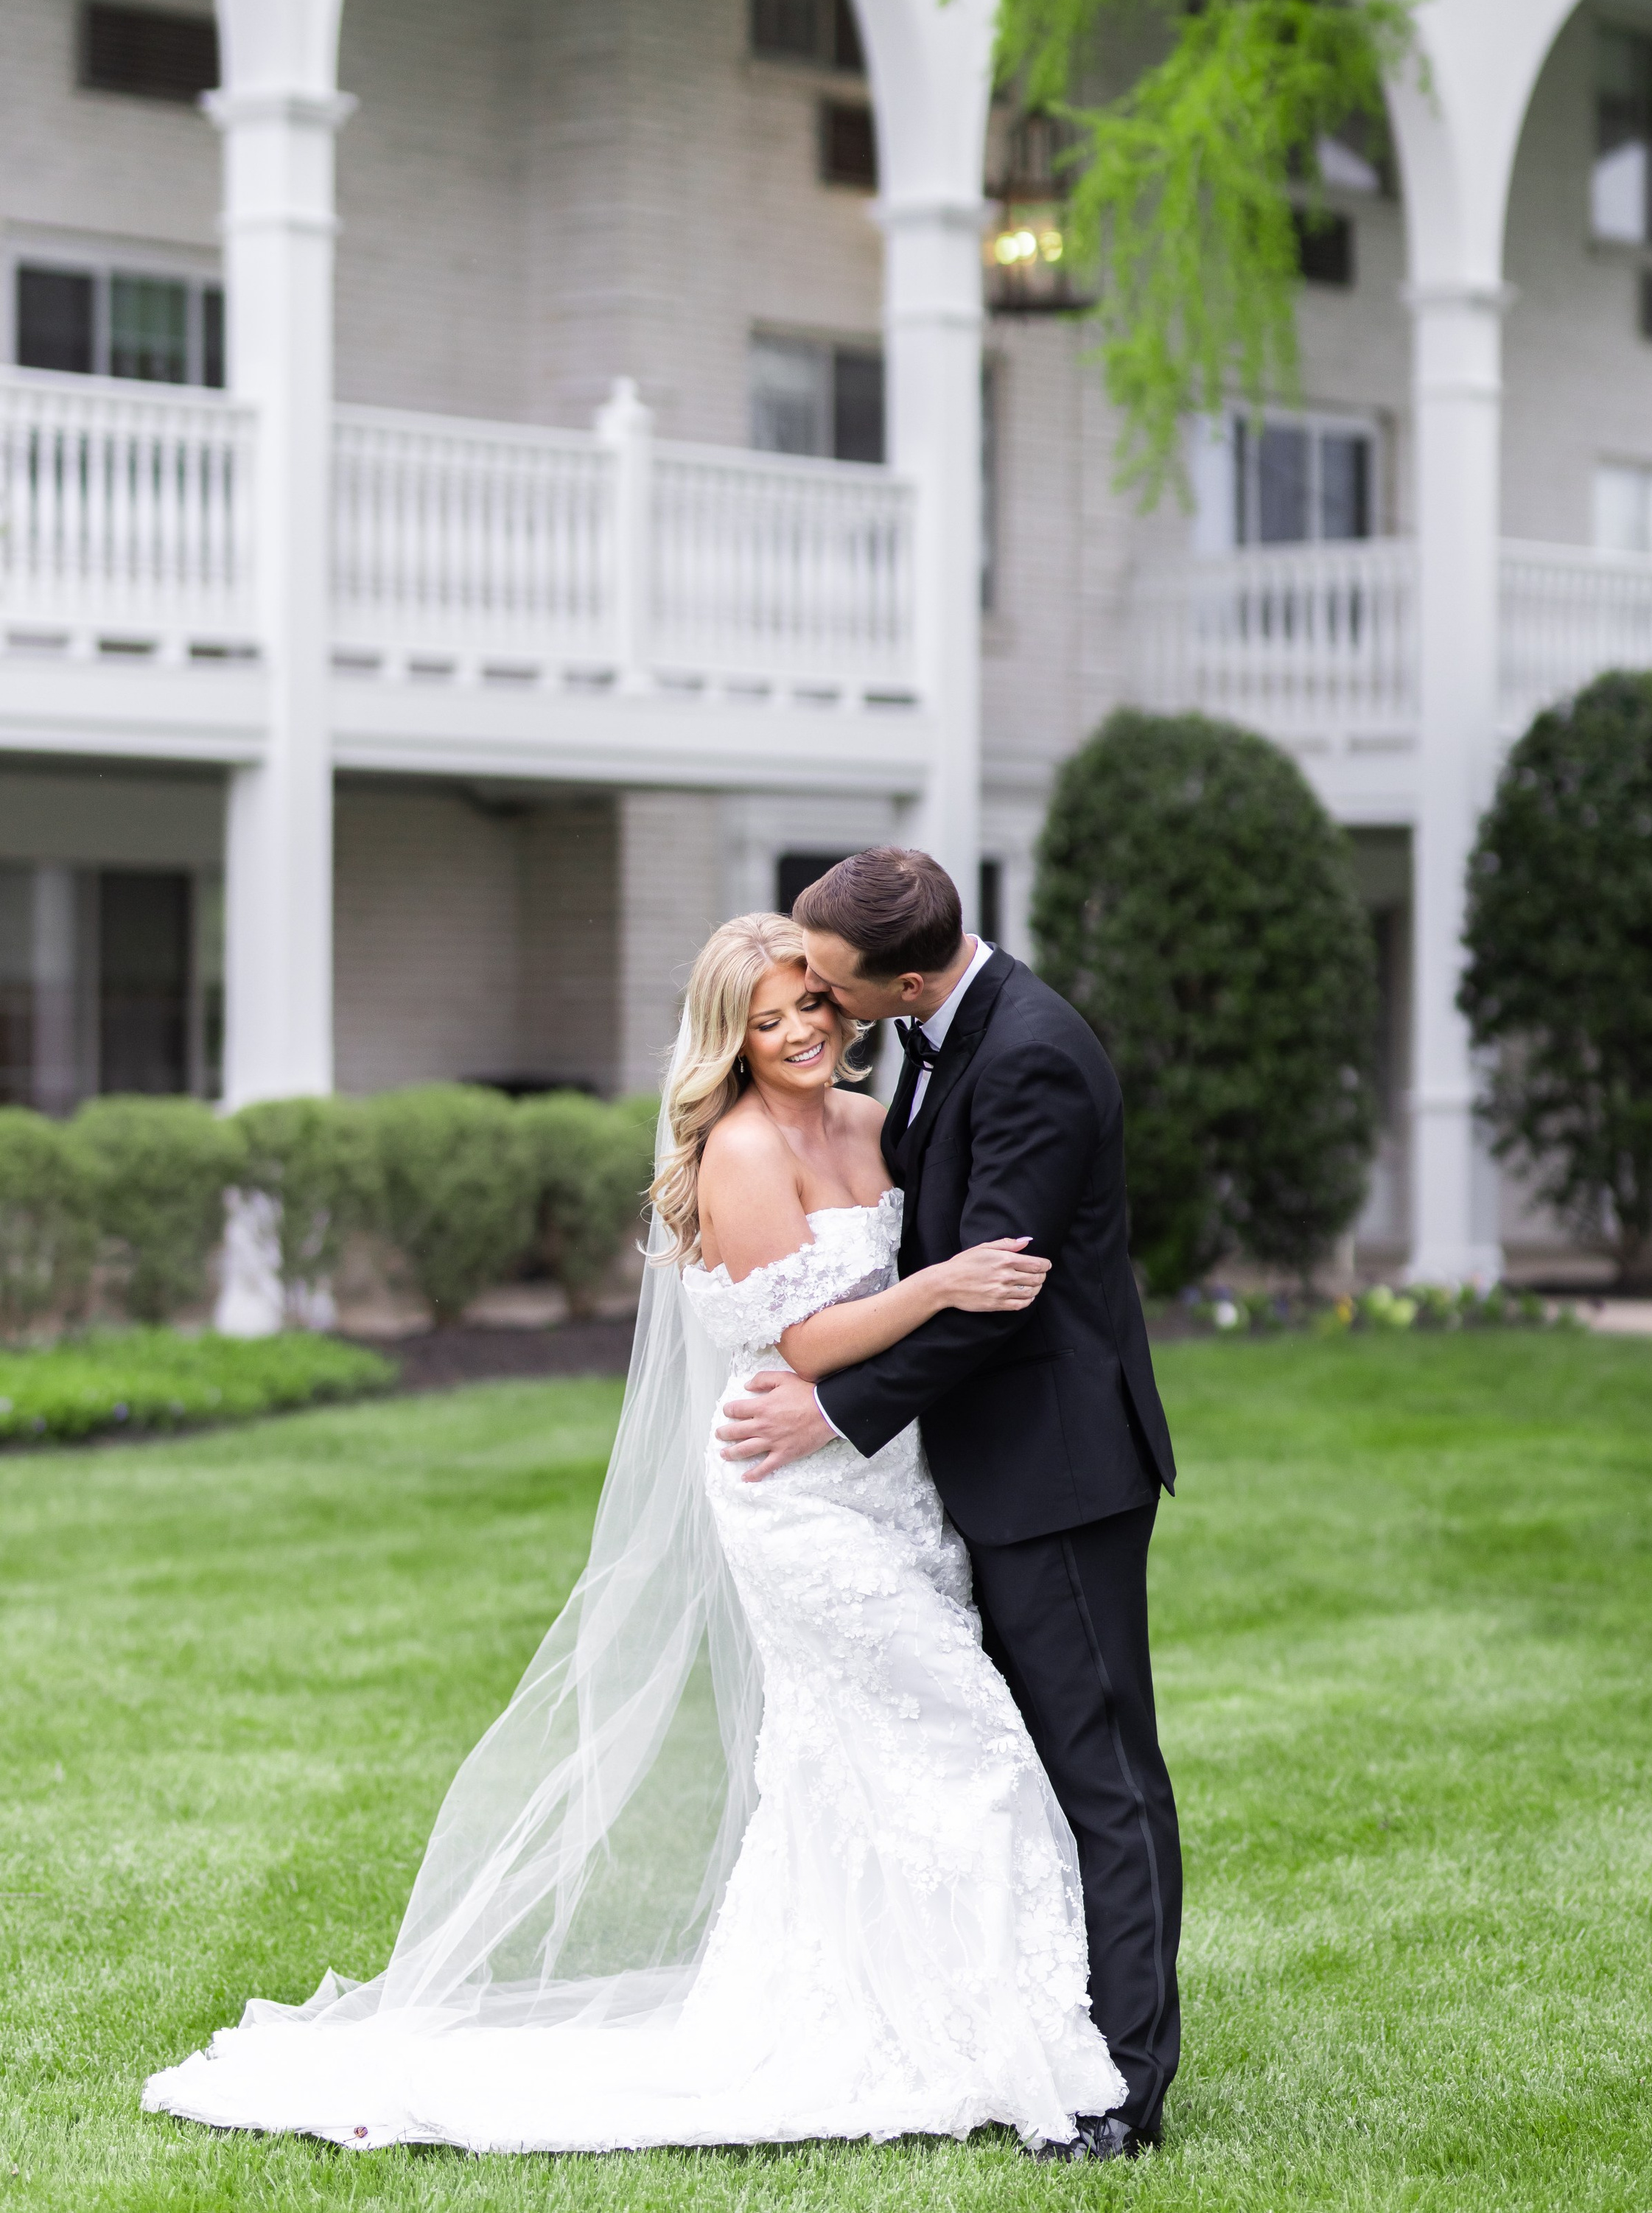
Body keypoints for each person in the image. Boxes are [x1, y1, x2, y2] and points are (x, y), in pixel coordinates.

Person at [142, 911, 1127, 2156]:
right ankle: (1013, 2039)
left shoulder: (883, 1126)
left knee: (857, 1764)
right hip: (795, 1494)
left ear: (841, 1001)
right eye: (765, 1023)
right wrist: (939, 1285)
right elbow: (804, 1342)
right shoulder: (741, 1152)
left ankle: (907, 2010)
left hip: (896, 1486)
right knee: (969, 1740)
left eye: (810, 1007)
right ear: (732, 1041)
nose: (798, 1036)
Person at [720, 846, 1180, 2161]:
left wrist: (833, 1407)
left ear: (905, 976)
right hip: (971, 1468)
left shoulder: (1029, 1052)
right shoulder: (933, 1029)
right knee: (1023, 1758)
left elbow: (998, 1293)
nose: (813, 995)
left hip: (1058, 1465)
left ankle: (1125, 2089)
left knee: (1104, 1775)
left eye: (829, 980)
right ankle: (1034, 2027)